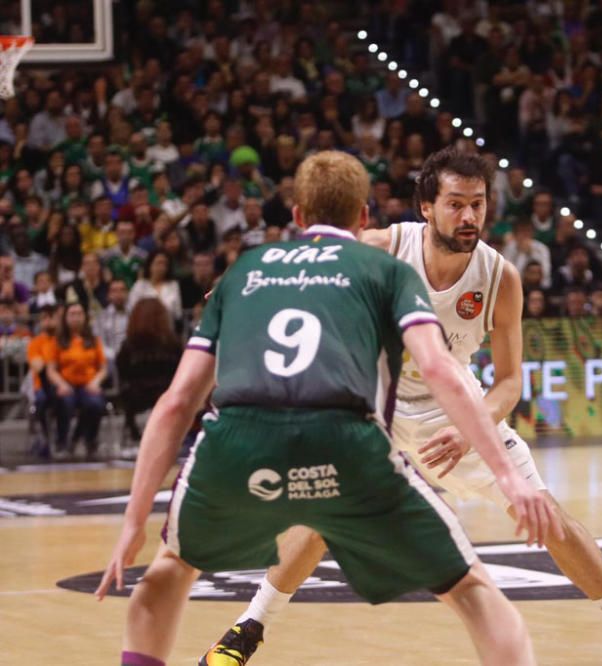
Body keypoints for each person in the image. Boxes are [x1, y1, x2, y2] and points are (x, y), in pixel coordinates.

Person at [201, 147, 602, 666]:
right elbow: (309, 258)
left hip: (454, 411)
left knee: (547, 516)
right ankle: (244, 634)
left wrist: (470, 430)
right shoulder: (382, 248)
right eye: (456, 204)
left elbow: (508, 383)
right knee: (323, 516)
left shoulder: (499, 277)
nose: (468, 216)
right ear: (426, 208)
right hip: (377, 408)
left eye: (477, 204)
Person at [96, 150, 559, 666]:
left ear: (296, 217)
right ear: (364, 216)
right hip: (343, 440)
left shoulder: (244, 271)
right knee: (474, 593)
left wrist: (134, 520)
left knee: (166, 574)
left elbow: (176, 402)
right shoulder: (386, 268)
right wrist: (509, 475)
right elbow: (440, 371)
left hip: (236, 441)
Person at [115, 298, 182, 454]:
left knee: (128, 395)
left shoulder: (129, 344)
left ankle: (135, 436)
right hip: (166, 396)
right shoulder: (173, 343)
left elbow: (121, 370)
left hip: (136, 396)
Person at [47, 302, 108, 460]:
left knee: (94, 404)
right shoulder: (58, 341)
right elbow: (51, 369)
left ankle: (89, 440)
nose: (76, 317)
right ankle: (62, 442)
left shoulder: (94, 340)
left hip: (88, 384)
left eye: (79, 313)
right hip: (67, 384)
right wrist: (61, 384)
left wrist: (96, 382)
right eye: (72, 314)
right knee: (65, 402)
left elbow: (103, 368)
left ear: (85, 317)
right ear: (66, 318)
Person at [26, 304, 59, 456]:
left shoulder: (63, 341)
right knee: (41, 400)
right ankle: (45, 437)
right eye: (44, 318)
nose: (48, 322)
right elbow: (38, 366)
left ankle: (67, 440)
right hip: (42, 386)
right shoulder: (36, 342)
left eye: (51, 317)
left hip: (64, 385)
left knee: (76, 400)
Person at [127, 250, 183, 324]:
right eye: (158, 263)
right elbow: (131, 309)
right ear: (150, 265)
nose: (161, 267)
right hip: (144, 328)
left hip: (167, 328)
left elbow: (178, 313)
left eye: (165, 264)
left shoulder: (173, 285)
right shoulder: (139, 285)